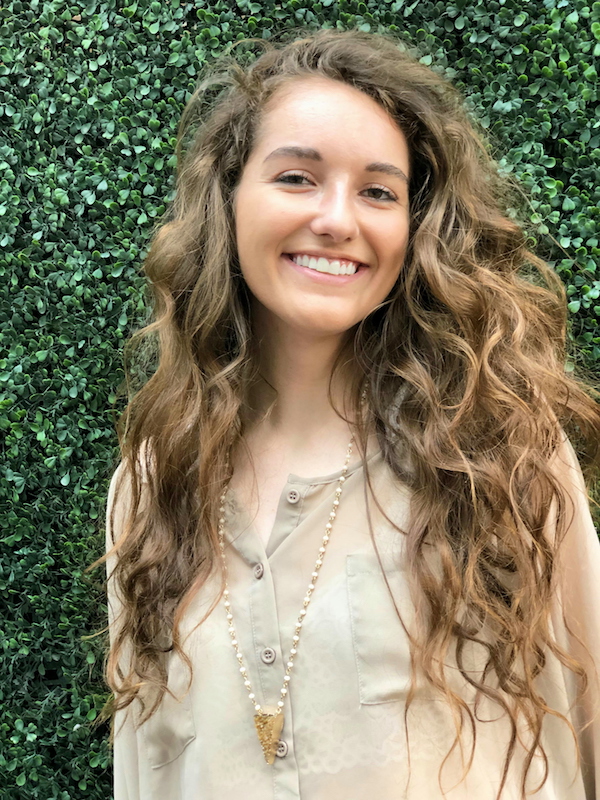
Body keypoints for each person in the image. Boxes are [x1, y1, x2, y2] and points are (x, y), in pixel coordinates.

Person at [98, 27, 600, 800]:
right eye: (297, 177)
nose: (338, 219)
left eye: (378, 191)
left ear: (414, 228)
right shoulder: (151, 483)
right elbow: (144, 765)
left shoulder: (500, 451)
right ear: (227, 200)